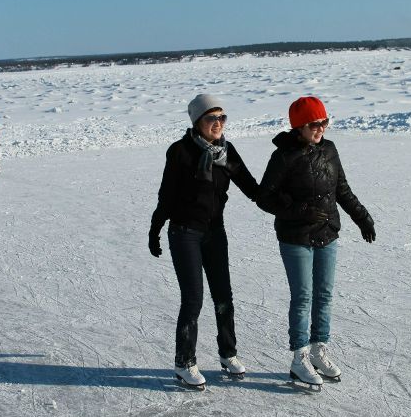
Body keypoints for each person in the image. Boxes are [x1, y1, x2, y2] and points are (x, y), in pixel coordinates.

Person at [257, 96, 376, 388]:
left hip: (327, 233)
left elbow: (342, 190)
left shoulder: (330, 150)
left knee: (323, 295)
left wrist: (362, 217)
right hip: (295, 237)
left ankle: (319, 350)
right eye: (314, 124)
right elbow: (264, 197)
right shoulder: (284, 156)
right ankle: (299, 359)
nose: (321, 128)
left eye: (324, 122)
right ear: (299, 126)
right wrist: (300, 210)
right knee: (303, 298)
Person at [149, 94, 259, 389]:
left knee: (224, 296)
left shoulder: (227, 151)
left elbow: (250, 186)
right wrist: (155, 228)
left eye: (222, 118)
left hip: (215, 232)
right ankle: (184, 362)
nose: (219, 124)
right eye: (212, 118)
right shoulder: (180, 152)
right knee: (194, 299)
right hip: (185, 232)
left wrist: (282, 203)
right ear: (197, 122)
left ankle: (228, 353)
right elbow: (167, 195)